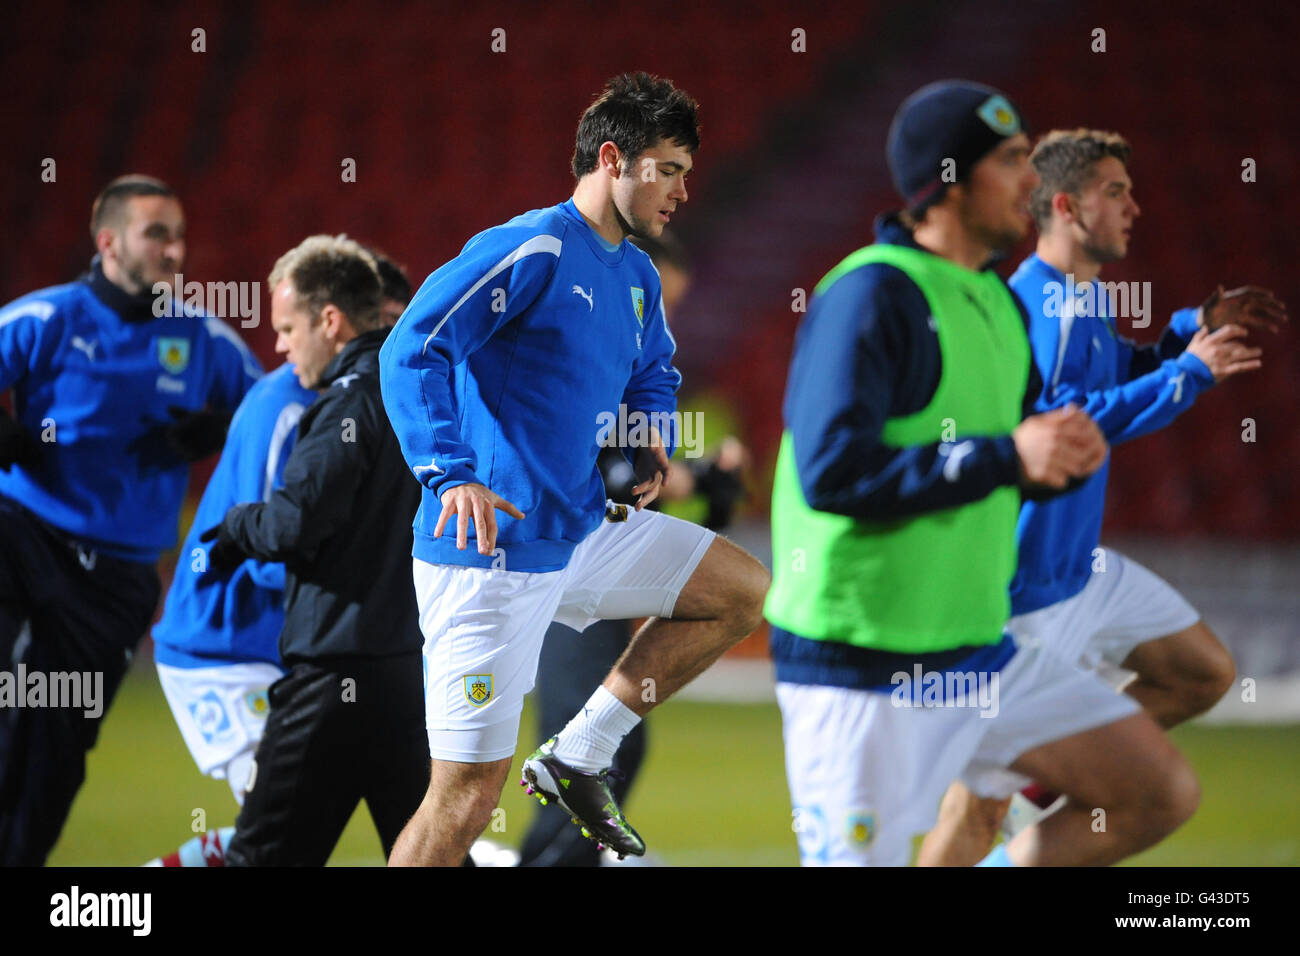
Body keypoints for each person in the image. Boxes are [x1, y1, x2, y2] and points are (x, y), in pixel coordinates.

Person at [764, 80, 1202, 867]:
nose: (1034, 182)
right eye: (1010, 161)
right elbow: (831, 471)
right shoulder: (871, 294)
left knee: (1157, 790)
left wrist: (1048, 462)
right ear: (948, 179)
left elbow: (1007, 457)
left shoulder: (997, 307)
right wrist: (1011, 456)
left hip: (976, 651)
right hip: (865, 666)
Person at [380, 71, 770, 865]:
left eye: (688, 174)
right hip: (490, 553)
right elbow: (413, 345)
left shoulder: (637, 277)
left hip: (584, 532)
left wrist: (651, 437)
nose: (682, 192)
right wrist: (449, 473)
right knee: (462, 801)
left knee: (742, 591)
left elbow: (653, 373)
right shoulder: (534, 247)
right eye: (669, 169)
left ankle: (579, 752)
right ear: (614, 158)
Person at [916, 128, 1285, 865]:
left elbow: (1124, 370)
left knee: (1201, 673)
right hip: (1022, 591)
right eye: (1115, 192)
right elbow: (1075, 421)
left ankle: (1042, 776)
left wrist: (1193, 329)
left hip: (1080, 569)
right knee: (973, 806)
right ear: (1065, 206)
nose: (1134, 208)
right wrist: (1191, 375)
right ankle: (1019, 808)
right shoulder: (1036, 309)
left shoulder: (1083, 297)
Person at [0, 174, 260, 865]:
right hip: (26, 538)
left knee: (57, 751)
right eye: (157, 233)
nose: (175, 248)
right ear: (108, 241)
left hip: (116, 581)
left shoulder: (204, 337)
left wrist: (221, 426)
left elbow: (281, 416)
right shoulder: (47, 318)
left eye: (179, 234)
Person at [147, 251, 413, 866]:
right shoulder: (309, 402)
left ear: (328, 321)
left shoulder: (347, 400)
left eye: (286, 330)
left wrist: (237, 529)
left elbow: (292, 530)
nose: (278, 343)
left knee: (276, 845)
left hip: (332, 657)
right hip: (229, 649)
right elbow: (296, 539)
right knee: (404, 836)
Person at [515, 231, 748, 867]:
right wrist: (698, 475)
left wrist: (701, 478)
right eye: (661, 302)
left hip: (596, 559)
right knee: (580, 743)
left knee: (606, 745)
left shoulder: (637, 363)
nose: (666, 318)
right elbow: (599, 474)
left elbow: (631, 481)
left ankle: (559, 860)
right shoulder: (589, 350)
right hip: (557, 555)